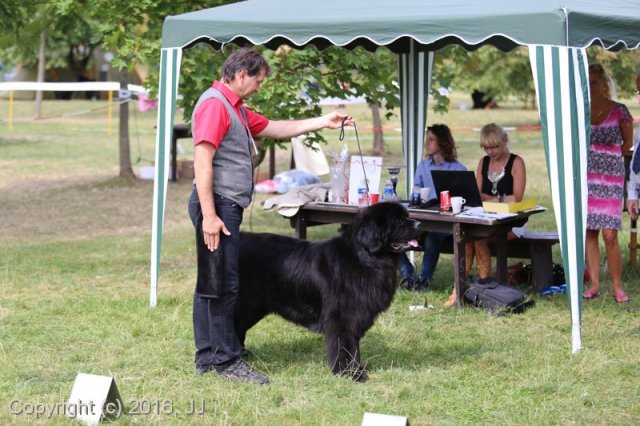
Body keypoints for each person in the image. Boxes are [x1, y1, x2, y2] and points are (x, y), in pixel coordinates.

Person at [188, 48, 354, 384]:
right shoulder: (214, 105)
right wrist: (209, 215)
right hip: (216, 206)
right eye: (258, 81)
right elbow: (202, 161)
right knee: (222, 284)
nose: (259, 88)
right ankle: (224, 362)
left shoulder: (233, 107)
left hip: (224, 205)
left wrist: (324, 120)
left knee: (213, 279)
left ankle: (209, 356)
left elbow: (275, 127)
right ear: (241, 74)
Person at [445, 123, 526, 307]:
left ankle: (474, 286)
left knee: (476, 237)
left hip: (513, 222)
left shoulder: (516, 162)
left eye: (494, 147)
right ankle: (467, 286)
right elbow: (477, 194)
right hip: (487, 218)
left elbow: (517, 198)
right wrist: (486, 199)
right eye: (486, 148)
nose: (490, 151)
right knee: (469, 236)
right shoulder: (483, 162)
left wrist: (489, 198)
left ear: (505, 141)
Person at [583, 64, 633, 303]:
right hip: (587, 178)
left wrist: (607, 159)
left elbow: (627, 145)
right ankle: (594, 284)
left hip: (611, 180)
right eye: (587, 82)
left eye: (594, 82)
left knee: (610, 235)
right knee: (589, 232)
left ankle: (617, 286)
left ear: (603, 84)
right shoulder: (580, 110)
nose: (590, 87)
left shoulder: (620, 110)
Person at [398, 124, 467, 291]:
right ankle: (408, 276)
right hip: (423, 216)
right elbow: (416, 190)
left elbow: (465, 201)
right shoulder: (423, 165)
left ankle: (423, 281)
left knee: (432, 238)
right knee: (392, 235)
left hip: (446, 222)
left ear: (442, 142)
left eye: (431, 139)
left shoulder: (458, 168)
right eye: (426, 139)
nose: (426, 143)